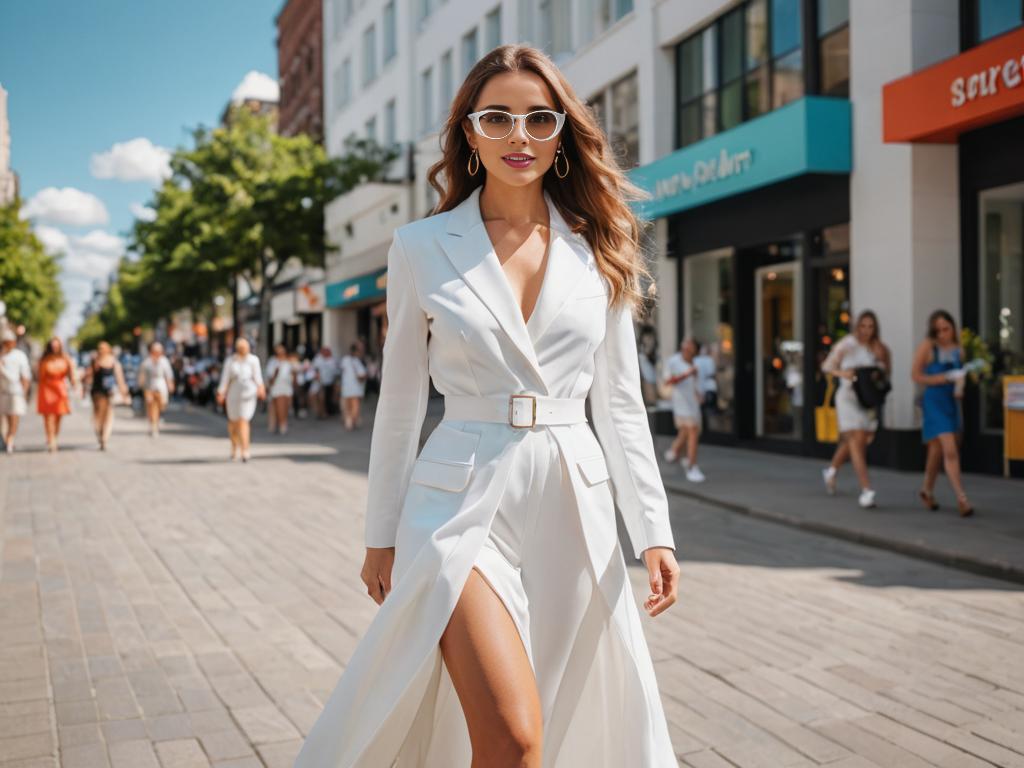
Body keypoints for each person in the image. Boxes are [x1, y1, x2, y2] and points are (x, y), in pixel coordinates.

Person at [295, 44, 680, 768]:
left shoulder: (602, 246)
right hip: (457, 499)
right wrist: (380, 533)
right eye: (498, 117)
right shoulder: (418, 247)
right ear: (468, 132)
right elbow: (401, 403)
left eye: (539, 118)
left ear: (563, 133)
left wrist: (652, 528)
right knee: (512, 734)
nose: (520, 136)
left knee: (563, 719)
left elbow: (621, 403)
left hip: (573, 499)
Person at [820, 310, 892, 508]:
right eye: (863, 326)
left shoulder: (878, 348)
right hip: (848, 398)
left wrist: (880, 364)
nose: (867, 330)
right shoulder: (847, 344)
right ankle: (866, 490)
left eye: (871, 327)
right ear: (857, 326)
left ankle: (831, 471)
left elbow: (885, 375)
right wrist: (845, 373)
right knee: (857, 440)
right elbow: (827, 366)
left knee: (857, 440)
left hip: (867, 400)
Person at [912, 309, 974, 516]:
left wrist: (962, 383)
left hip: (951, 401)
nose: (942, 334)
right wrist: (942, 378)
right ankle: (962, 498)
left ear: (952, 328)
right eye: (937, 330)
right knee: (949, 449)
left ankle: (926, 490)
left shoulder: (960, 349)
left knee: (936, 451)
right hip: (934, 402)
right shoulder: (928, 347)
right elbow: (916, 375)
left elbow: (964, 375)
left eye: (946, 329)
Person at [662, 337, 706, 483]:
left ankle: (674, 451)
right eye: (685, 343)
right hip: (680, 403)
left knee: (686, 432)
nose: (686, 345)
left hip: (692, 403)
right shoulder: (674, 361)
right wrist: (686, 374)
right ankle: (692, 467)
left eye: (690, 344)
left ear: (694, 349)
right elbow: (668, 381)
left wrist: (700, 395)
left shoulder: (696, 363)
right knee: (692, 431)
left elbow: (697, 384)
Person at [216, 337, 265, 462]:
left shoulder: (253, 360)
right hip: (233, 394)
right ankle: (234, 447)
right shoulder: (231, 361)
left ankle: (245, 450)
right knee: (233, 422)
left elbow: (258, 377)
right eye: (241, 348)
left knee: (244, 421)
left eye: (245, 348)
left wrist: (261, 388)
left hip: (248, 394)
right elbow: (225, 379)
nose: (243, 350)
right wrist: (221, 392)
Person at [83, 341, 129, 451]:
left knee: (108, 414)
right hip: (97, 392)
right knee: (98, 414)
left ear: (108, 349)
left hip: (109, 392)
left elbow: (120, 378)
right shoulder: (95, 361)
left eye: (103, 348)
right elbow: (88, 377)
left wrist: (124, 393)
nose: (101, 350)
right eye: (99, 348)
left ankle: (104, 437)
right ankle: (99, 432)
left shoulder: (114, 362)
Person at [36, 337, 79, 453]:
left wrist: (74, 383)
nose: (55, 348)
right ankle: (51, 440)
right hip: (46, 389)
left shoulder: (65, 357)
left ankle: (55, 436)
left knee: (59, 415)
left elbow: (71, 372)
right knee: (49, 416)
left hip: (60, 388)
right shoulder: (44, 359)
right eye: (53, 346)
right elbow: (39, 375)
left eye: (57, 346)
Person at [0, 329, 32, 454]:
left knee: (13, 419)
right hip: (2, 393)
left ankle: (10, 441)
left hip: (15, 392)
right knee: (3, 420)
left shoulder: (19, 356)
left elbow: (24, 377)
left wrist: (24, 392)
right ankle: (5, 440)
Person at [138, 341, 175, 437]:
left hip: (161, 386)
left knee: (161, 405)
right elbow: (142, 376)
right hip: (149, 387)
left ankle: (157, 421)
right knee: (151, 407)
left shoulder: (164, 361)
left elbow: (168, 374)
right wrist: (142, 386)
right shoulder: (147, 362)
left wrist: (170, 384)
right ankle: (153, 426)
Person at [265, 344, 296, 435]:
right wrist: (275, 373)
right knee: (278, 407)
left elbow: (293, 375)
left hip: (287, 387)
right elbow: (270, 378)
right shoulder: (273, 362)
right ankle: (281, 425)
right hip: (277, 387)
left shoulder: (288, 362)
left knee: (285, 406)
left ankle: (282, 423)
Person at [338, 341, 368, 430]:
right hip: (356, 387)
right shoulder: (358, 361)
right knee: (354, 405)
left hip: (347, 386)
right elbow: (363, 374)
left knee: (348, 405)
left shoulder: (345, 359)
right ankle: (352, 421)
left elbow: (343, 371)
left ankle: (349, 421)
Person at [311, 346, 337, 419]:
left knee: (326, 398)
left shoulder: (332, 360)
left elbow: (334, 372)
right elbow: (315, 368)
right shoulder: (318, 358)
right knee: (319, 397)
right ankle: (320, 412)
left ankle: (325, 412)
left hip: (329, 382)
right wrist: (317, 375)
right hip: (319, 382)